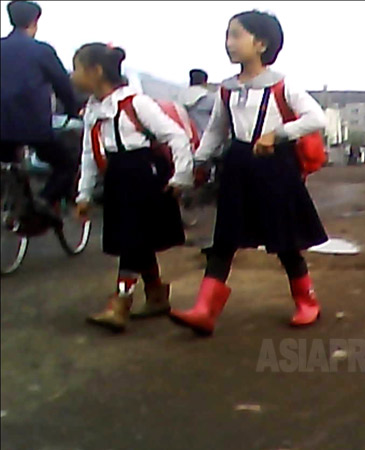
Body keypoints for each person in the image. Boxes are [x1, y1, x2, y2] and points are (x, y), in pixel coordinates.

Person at [169, 10, 328, 336]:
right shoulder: (226, 90)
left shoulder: (283, 84)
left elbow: (316, 118)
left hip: (275, 167)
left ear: (261, 43)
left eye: (236, 35)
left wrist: (278, 134)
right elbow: (215, 131)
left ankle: (306, 301)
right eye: (228, 35)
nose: (229, 43)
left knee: (284, 240)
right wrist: (197, 163)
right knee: (224, 238)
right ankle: (205, 309)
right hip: (239, 165)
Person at [72, 43, 194, 332]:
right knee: (138, 239)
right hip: (117, 177)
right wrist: (84, 193)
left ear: (96, 71)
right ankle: (155, 294)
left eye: (77, 68)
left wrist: (181, 176)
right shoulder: (93, 110)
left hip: (143, 176)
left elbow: (176, 135)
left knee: (132, 239)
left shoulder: (135, 104)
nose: (73, 76)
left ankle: (120, 303)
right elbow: (89, 153)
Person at [0, 0, 81, 218]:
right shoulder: (41, 51)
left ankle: (13, 199)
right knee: (66, 164)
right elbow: (63, 86)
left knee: (7, 159)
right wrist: (73, 111)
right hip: (33, 126)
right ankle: (43, 202)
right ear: (34, 23)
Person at [178, 68, 216, 138]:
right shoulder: (211, 98)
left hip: (183, 136)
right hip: (203, 138)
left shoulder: (180, 97)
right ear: (205, 83)